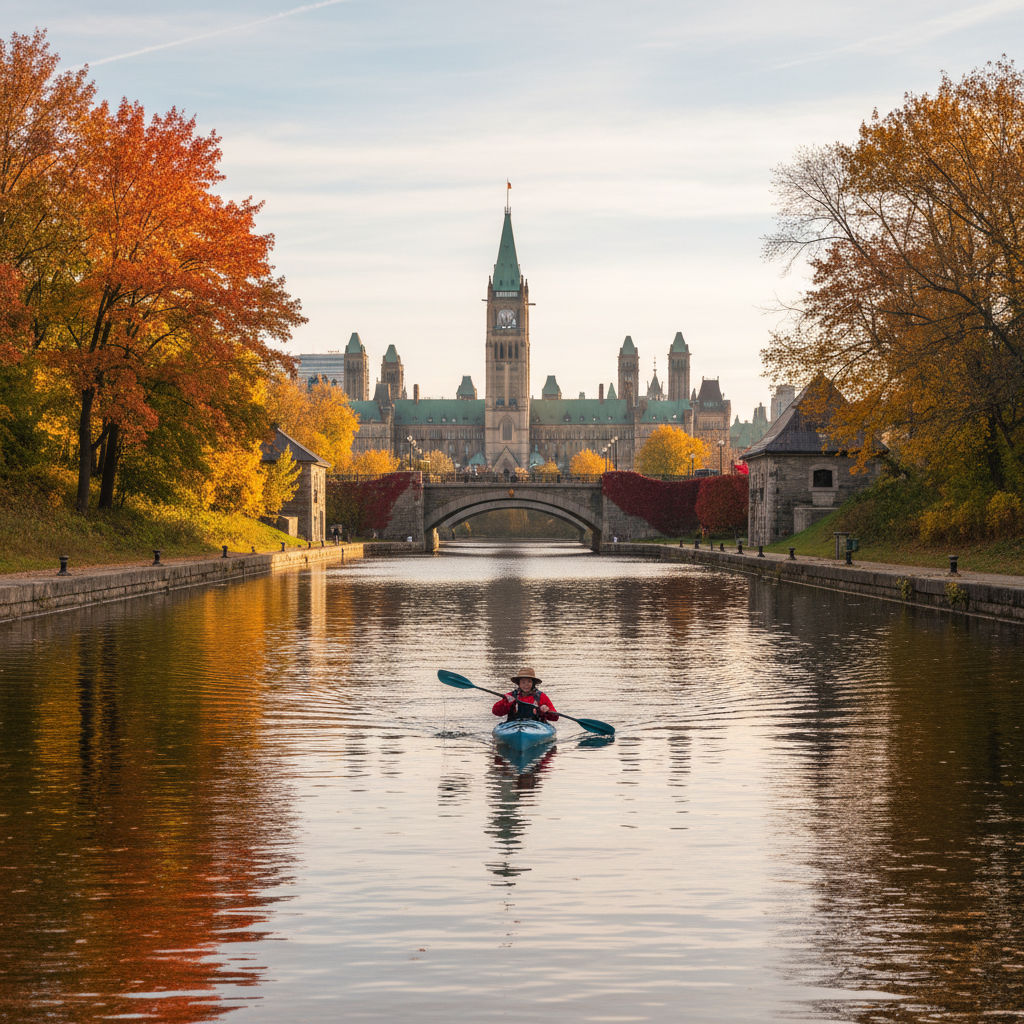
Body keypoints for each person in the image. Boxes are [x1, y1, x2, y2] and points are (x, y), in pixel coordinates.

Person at [492, 667, 559, 723]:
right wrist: (504, 702)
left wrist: (547, 711)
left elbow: (555, 718)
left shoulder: (541, 696)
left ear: (533, 683)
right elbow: (496, 712)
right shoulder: (511, 696)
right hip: (514, 725)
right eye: (523, 682)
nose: (526, 685)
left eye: (529, 682)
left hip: (537, 726)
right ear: (519, 683)